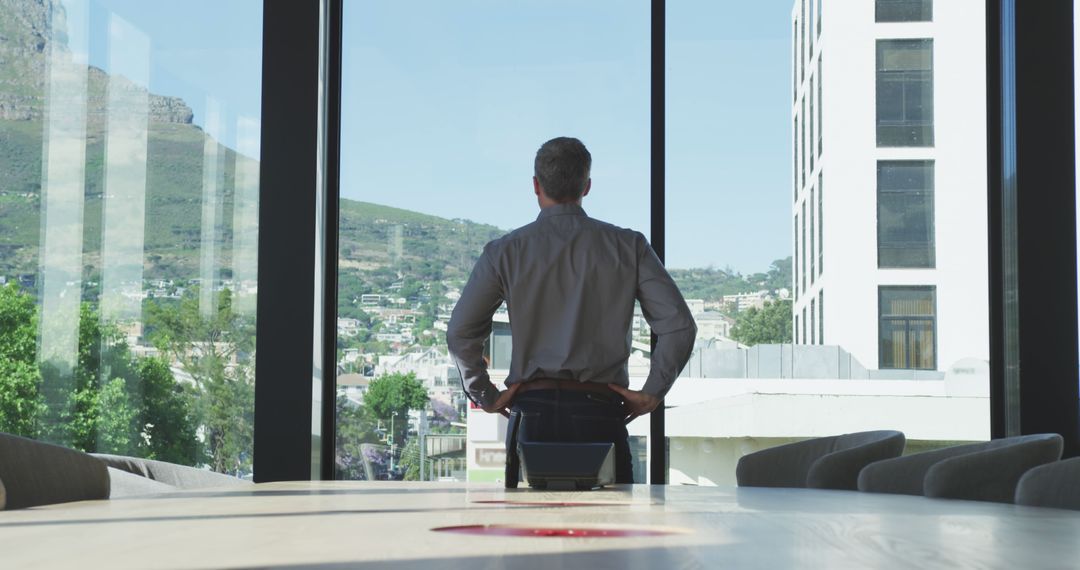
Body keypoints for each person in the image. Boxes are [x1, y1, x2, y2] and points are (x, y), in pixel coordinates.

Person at [446, 136, 696, 484]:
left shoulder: (504, 252)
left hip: (531, 414)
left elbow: (460, 331)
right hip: (600, 412)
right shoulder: (628, 246)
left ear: (536, 186)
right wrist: (652, 391)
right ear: (587, 186)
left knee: (530, 531)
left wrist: (485, 394)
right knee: (609, 528)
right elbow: (679, 327)